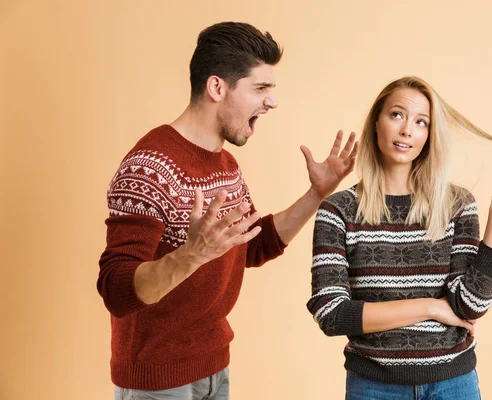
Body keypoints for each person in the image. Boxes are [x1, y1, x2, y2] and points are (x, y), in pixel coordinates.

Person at [97, 22, 357, 400]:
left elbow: (251, 246)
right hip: (157, 382)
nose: (272, 102)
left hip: (214, 367)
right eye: (261, 88)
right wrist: (192, 255)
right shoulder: (148, 166)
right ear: (217, 87)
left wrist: (316, 194)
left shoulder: (226, 165)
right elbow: (116, 291)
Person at [307, 76, 492, 400]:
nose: (407, 130)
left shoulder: (457, 204)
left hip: (453, 384)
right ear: (376, 122)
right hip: (373, 386)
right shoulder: (339, 210)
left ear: (429, 135)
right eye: (397, 114)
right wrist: (432, 307)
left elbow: (470, 305)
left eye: (421, 122)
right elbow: (332, 314)